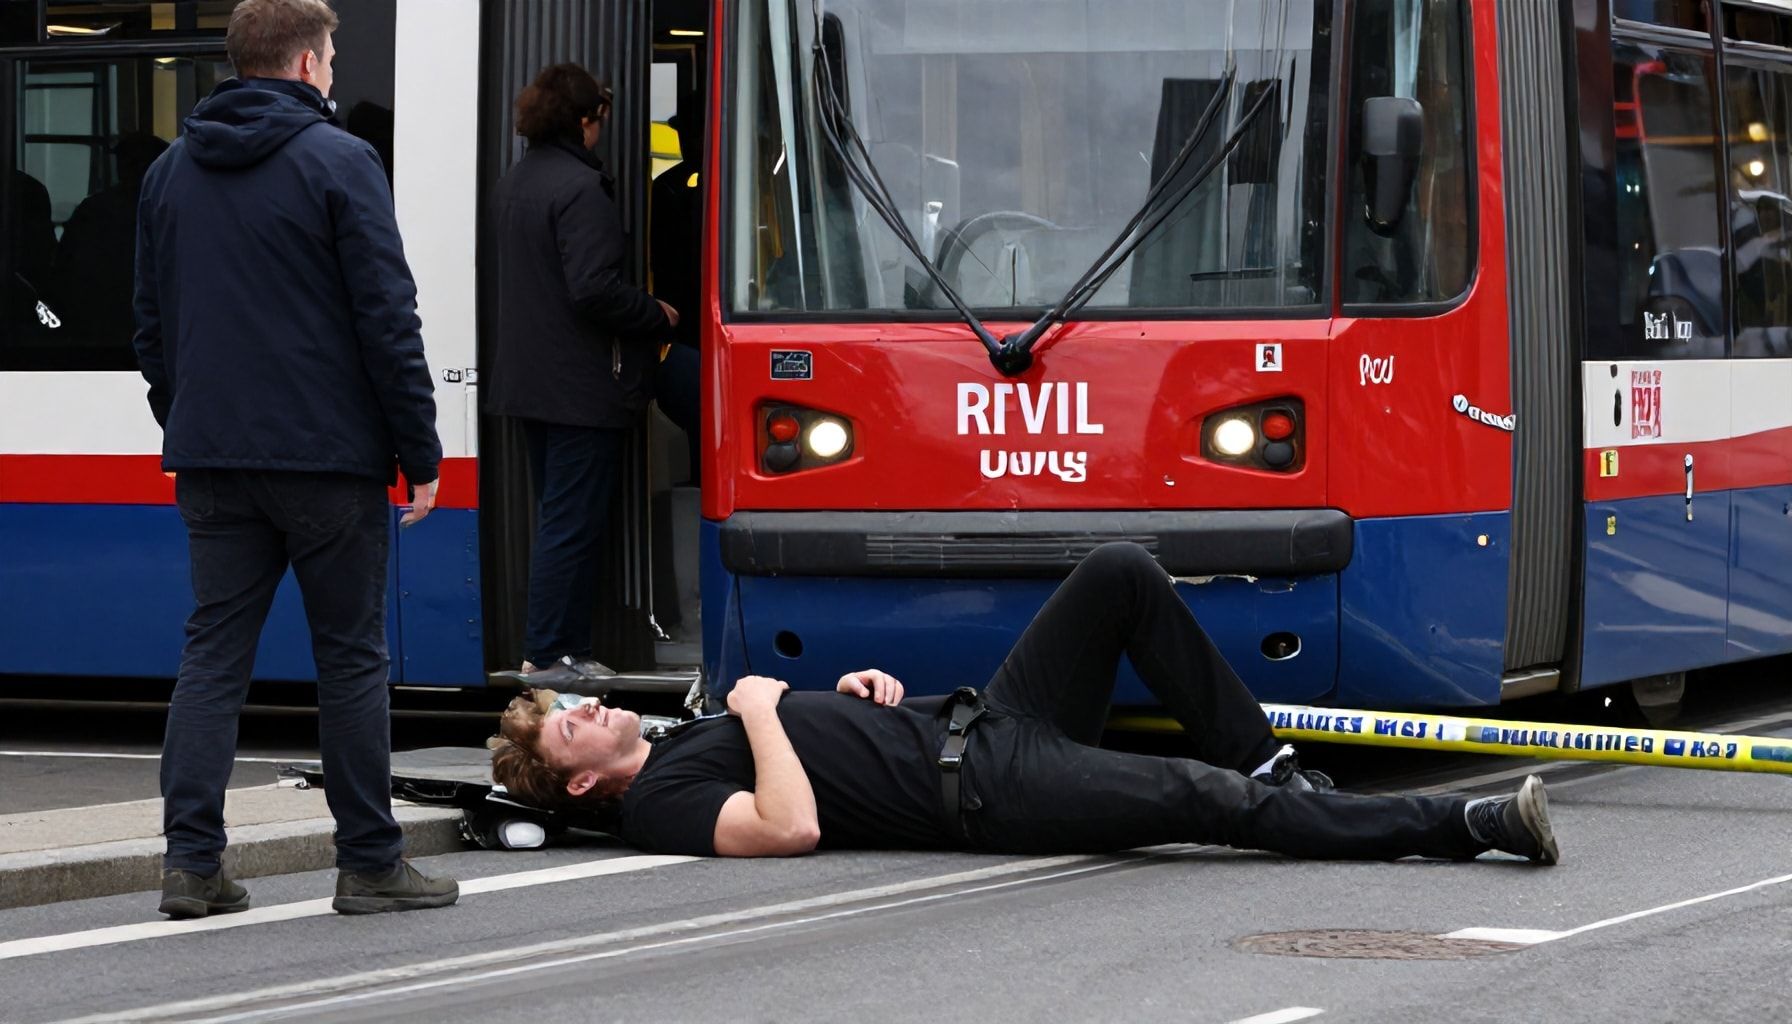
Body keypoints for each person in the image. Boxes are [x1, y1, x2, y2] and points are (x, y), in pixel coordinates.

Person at [489, 543, 1559, 864]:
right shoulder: (657, 801)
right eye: (569, 718)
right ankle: (1465, 824)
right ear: (581, 777)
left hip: (980, 721)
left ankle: (1277, 765)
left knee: (1120, 573)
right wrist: (767, 712)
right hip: (988, 786)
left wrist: (854, 698)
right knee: (1199, 798)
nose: (585, 702)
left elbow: (815, 762)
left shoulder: (684, 741)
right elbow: (789, 823)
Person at [133, 0, 457, 919]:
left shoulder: (168, 172)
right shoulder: (341, 162)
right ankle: (368, 863)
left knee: (212, 658)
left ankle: (190, 866)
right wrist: (418, 451)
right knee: (350, 658)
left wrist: (190, 420)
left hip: (213, 460)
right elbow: (387, 322)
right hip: (327, 460)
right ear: (311, 62)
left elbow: (149, 331)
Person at [485, 64, 678, 682]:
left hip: (529, 382)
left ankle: (553, 648)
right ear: (584, 120)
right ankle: (549, 653)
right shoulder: (582, 189)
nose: (601, 129)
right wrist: (657, 313)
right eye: (600, 117)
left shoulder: (516, 181)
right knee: (571, 526)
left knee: (555, 521)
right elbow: (593, 290)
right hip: (578, 386)